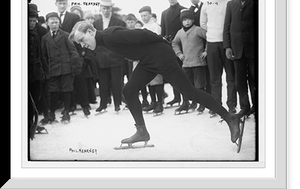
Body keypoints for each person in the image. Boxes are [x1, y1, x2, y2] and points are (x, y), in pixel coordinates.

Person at [69, 21, 243, 148]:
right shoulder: (104, 41)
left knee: (189, 92)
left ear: (91, 31)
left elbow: (141, 33)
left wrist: (162, 41)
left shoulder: (110, 36)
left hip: (160, 56)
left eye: (82, 39)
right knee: (129, 91)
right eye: (79, 43)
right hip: (148, 60)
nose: (83, 44)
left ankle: (229, 117)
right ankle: (142, 131)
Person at [41, 12, 82, 123]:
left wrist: (75, 66)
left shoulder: (65, 35)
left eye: (56, 22)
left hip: (66, 69)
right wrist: (45, 70)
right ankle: (52, 114)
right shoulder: (45, 38)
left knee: (66, 91)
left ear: (59, 23)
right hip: (52, 70)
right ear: (47, 23)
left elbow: (73, 52)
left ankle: (66, 113)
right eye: (52, 22)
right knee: (53, 92)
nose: (54, 24)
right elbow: (43, 56)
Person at [200, 0, 237, 117]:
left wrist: (224, 33)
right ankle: (216, 106)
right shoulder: (206, 3)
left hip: (227, 43)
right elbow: (203, 23)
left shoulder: (230, 0)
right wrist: (213, 31)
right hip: (212, 43)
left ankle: (232, 105)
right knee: (214, 78)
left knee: (231, 77)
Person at [223, 0, 258, 117]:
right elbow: (227, 26)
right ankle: (245, 107)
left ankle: (257, 106)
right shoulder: (231, 3)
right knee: (240, 80)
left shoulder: (256, 0)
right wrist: (227, 46)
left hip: (254, 48)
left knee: (256, 78)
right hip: (237, 49)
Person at [93, 0, 126, 113]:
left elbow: (123, 39)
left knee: (117, 82)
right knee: (103, 82)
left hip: (115, 57)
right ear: (100, 9)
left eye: (108, 8)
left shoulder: (119, 22)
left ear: (111, 8)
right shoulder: (96, 23)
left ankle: (117, 103)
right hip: (101, 57)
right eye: (104, 8)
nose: (106, 10)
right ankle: (103, 104)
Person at [172, 10, 207, 114]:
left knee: (199, 85)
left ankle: (202, 104)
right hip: (186, 64)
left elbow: (209, 38)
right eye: (184, 20)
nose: (187, 22)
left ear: (193, 20)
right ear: (181, 21)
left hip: (198, 63)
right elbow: (174, 43)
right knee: (185, 85)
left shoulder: (198, 30)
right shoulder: (180, 32)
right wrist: (179, 54)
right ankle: (186, 103)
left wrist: (206, 51)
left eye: (189, 19)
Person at [161, 0, 187, 107]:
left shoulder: (183, 10)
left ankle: (185, 99)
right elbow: (163, 31)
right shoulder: (164, 13)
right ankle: (176, 97)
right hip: (170, 47)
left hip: (182, 46)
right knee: (173, 73)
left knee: (184, 73)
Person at [139, 6, 164, 114]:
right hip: (146, 57)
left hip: (155, 56)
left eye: (145, 15)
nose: (143, 18)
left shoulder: (155, 26)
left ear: (150, 14)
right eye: (142, 16)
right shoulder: (143, 27)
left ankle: (159, 103)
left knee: (157, 80)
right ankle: (153, 102)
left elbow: (157, 41)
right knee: (149, 81)